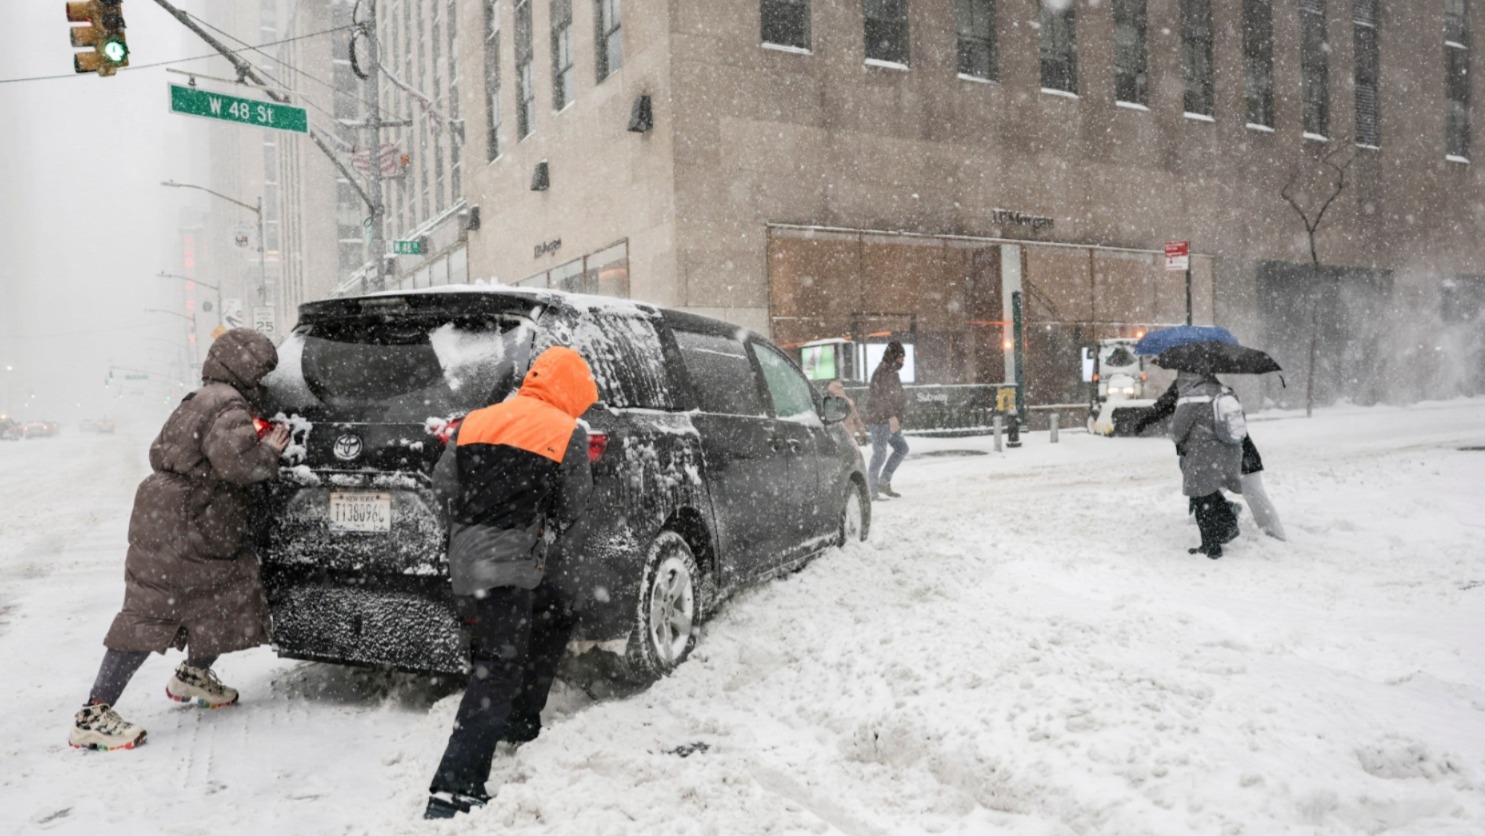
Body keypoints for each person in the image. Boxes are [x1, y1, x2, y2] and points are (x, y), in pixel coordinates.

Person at [68, 328, 291, 751]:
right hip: (188, 522)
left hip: (184, 516)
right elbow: (238, 464)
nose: (264, 380)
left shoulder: (207, 397)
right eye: (261, 371)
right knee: (152, 614)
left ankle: (193, 676)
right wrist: (271, 451)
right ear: (245, 368)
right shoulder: (227, 403)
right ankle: (93, 714)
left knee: (231, 597)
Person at [425, 346, 597, 820]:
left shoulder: (478, 420)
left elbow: (443, 487)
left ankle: (520, 720)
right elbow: (572, 506)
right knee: (495, 666)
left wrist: (473, 525)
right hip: (512, 560)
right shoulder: (567, 433)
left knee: (555, 612)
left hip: (467, 556)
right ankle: (453, 789)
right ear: (572, 392)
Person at [1134, 380, 1286, 540]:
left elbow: (1175, 425)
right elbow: (1238, 419)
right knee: (1247, 493)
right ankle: (1238, 519)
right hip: (1234, 452)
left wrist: (1144, 420)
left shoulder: (1189, 390)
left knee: (1242, 493)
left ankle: (1269, 533)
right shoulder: (1222, 388)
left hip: (1220, 456)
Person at [1169, 371, 1243, 558]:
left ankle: (1212, 545)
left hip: (1203, 454)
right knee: (1209, 494)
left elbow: (1176, 432)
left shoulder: (1191, 398)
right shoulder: (1226, 392)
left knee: (1202, 498)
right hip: (1229, 451)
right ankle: (1227, 525)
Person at [865, 341, 909, 500]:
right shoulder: (883, 372)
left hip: (890, 421)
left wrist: (897, 417)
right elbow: (881, 397)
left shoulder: (891, 372)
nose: (903, 360)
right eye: (901, 356)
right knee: (880, 455)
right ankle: (872, 490)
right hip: (880, 421)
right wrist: (891, 415)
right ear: (894, 356)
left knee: (902, 448)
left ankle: (883, 482)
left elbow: (895, 396)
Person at [826, 379, 869, 445]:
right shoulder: (849, 402)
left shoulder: (830, 404)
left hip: (836, 437)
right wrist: (863, 434)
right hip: (850, 435)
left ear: (832, 392)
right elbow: (857, 420)